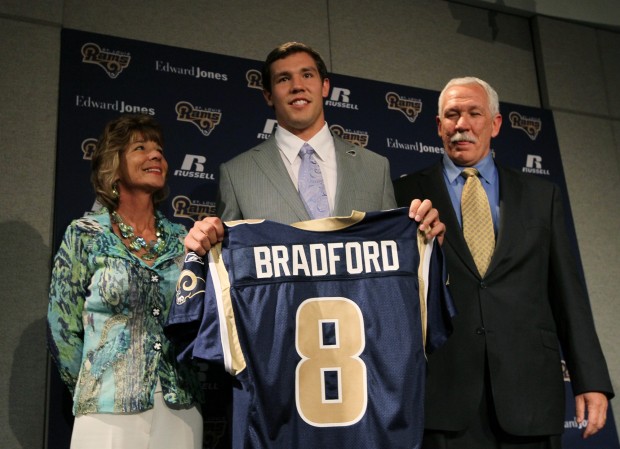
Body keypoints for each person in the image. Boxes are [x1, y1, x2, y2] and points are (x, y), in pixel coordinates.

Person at [393, 76, 614, 448]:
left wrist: (590, 379)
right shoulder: (404, 195)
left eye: (473, 113)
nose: (461, 124)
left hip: (529, 395)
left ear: (495, 124)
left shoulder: (541, 195)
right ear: (438, 126)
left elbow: (568, 295)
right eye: (451, 115)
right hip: (444, 396)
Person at [183, 41, 444, 254]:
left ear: (325, 86)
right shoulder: (236, 174)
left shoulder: (375, 167)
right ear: (267, 95)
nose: (298, 86)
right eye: (284, 79)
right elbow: (230, 261)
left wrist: (426, 242)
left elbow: (395, 251)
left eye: (307, 75)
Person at [47, 114, 203, 449]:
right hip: (106, 410)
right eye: (140, 147)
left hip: (180, 405)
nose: (156, 155)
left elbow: (199, 321)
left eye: (159, 149)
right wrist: (95, 384)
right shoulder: (85, 235)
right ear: (113, 165)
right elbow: (62, 327)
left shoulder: (183, 241)